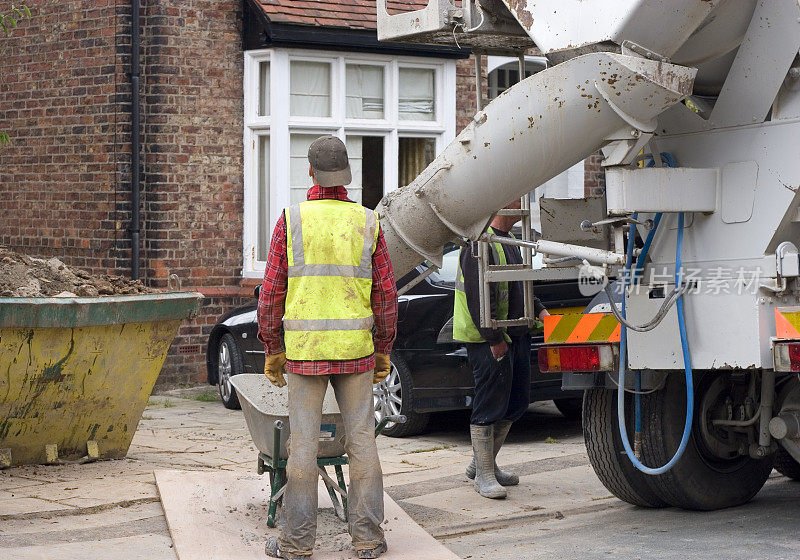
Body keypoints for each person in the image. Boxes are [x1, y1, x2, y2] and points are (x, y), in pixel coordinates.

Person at [257, 135, 398, 559]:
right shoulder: (368, 222)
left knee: (302, 448)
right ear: (347, 176)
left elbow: (271, 293)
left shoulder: (291, 220)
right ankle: (369, 542)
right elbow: (386, 296)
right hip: (357, 352)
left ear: (311, 172)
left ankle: (297, 545)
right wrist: (384, 347)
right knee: (362, 445)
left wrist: (272, 347)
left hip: (304, 353)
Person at [453, 201, 549, 499]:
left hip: (515, 332)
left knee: (517, 402)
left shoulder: (510, 242)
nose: (521, 205)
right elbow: (478, 295)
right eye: (516, 201)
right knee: (490, 403)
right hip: (488, 337)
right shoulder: (478, 244)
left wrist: (541, 311)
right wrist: (493, 337)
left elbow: (521, 284)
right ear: (500, 205)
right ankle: (482, 474)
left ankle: (484, 464)